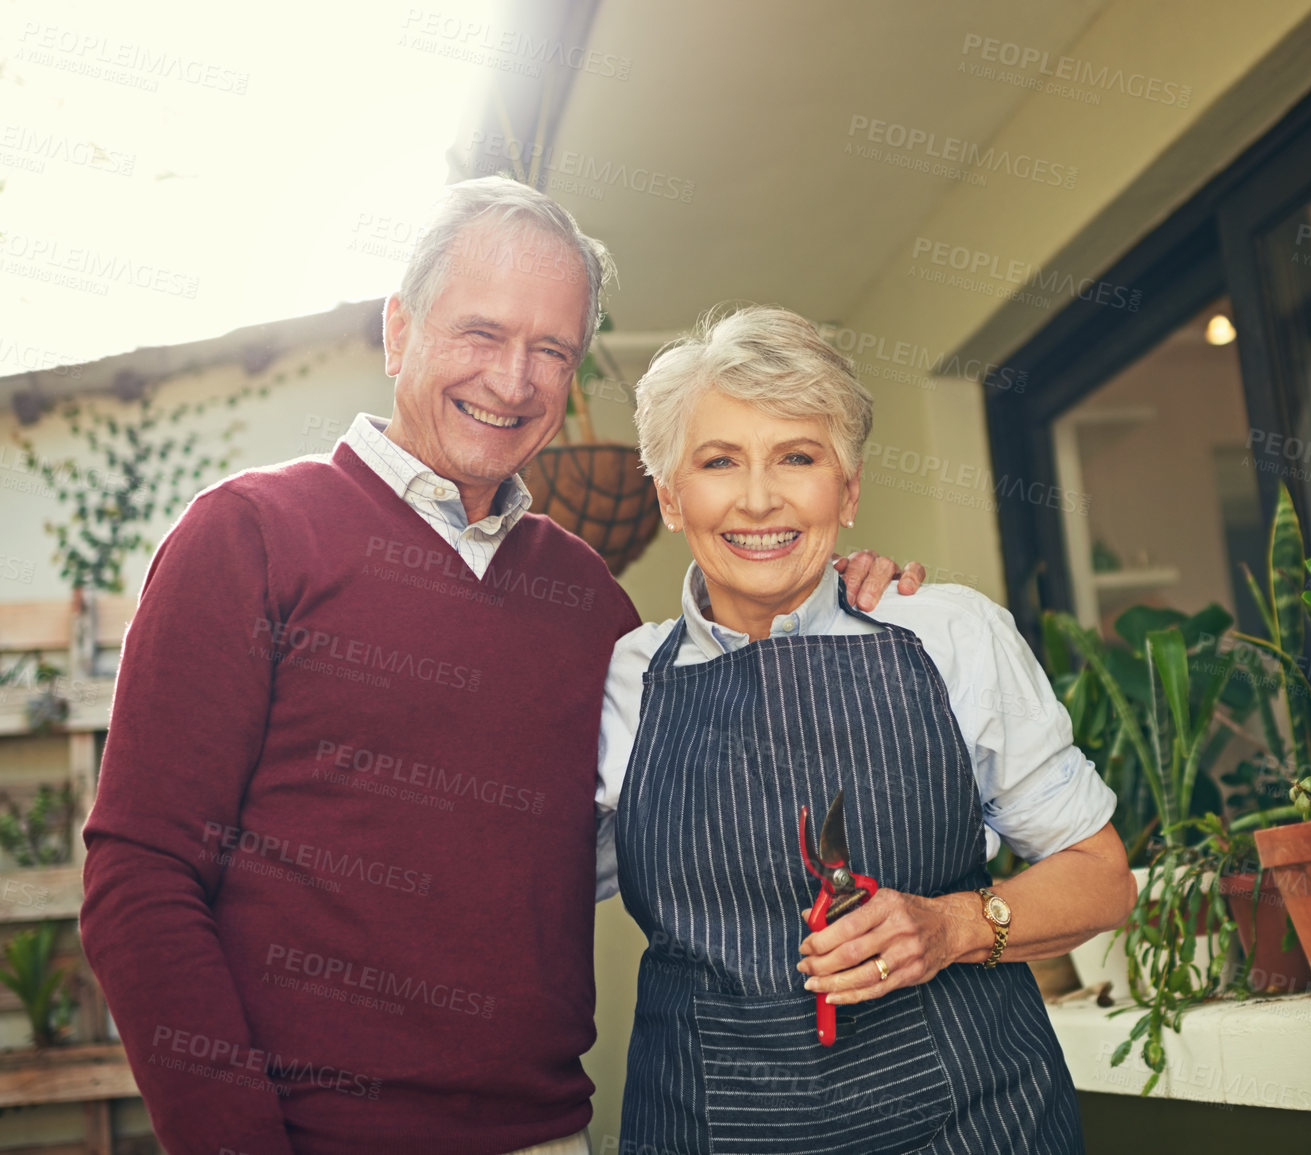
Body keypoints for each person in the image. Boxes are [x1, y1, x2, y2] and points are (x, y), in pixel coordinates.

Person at [79, 178, 918, 1155]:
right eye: (480, 335)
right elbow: (140, 879)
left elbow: (734, 817)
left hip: (551, 1135)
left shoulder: (591, 602)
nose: (514, 381)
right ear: (399, 333)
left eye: (552, 350)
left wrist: (843, 604)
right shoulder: (251, 534)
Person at [596, 305, 1138, 1155]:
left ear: (847, 492)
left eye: (798, 457)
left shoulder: (948, 634)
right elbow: (522, 895)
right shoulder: (616, 681)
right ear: (669, 495)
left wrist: (952, 925)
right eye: (718, 461)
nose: (759, 497)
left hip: (974, 1123)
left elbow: (1101, 877)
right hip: (704, 1128)